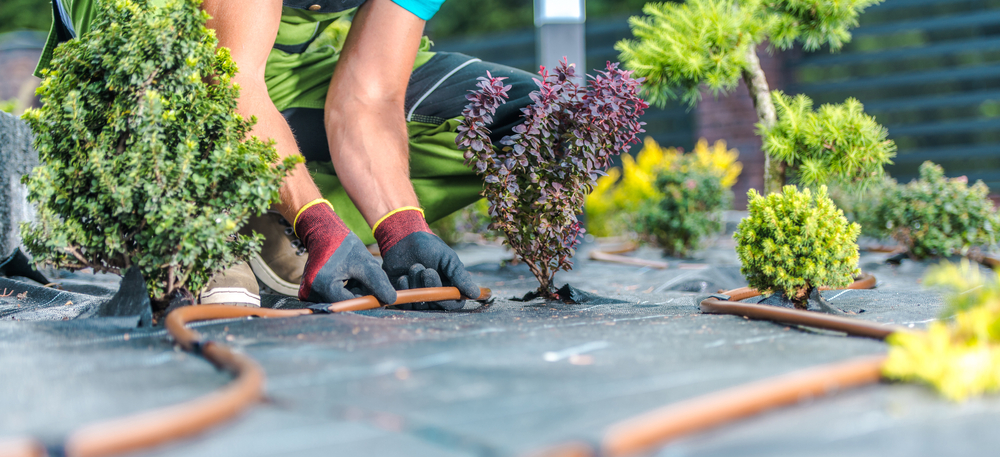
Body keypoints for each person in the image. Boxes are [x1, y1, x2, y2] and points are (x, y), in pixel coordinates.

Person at [36, 0, 538, 309]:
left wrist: (402, 229)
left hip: (277, 60)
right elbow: (229, 74)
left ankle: (275, 220)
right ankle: (205, 220)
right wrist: (314, 220)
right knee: (166, 47)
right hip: (160, 35)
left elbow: (369, 96)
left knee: (535, 115)